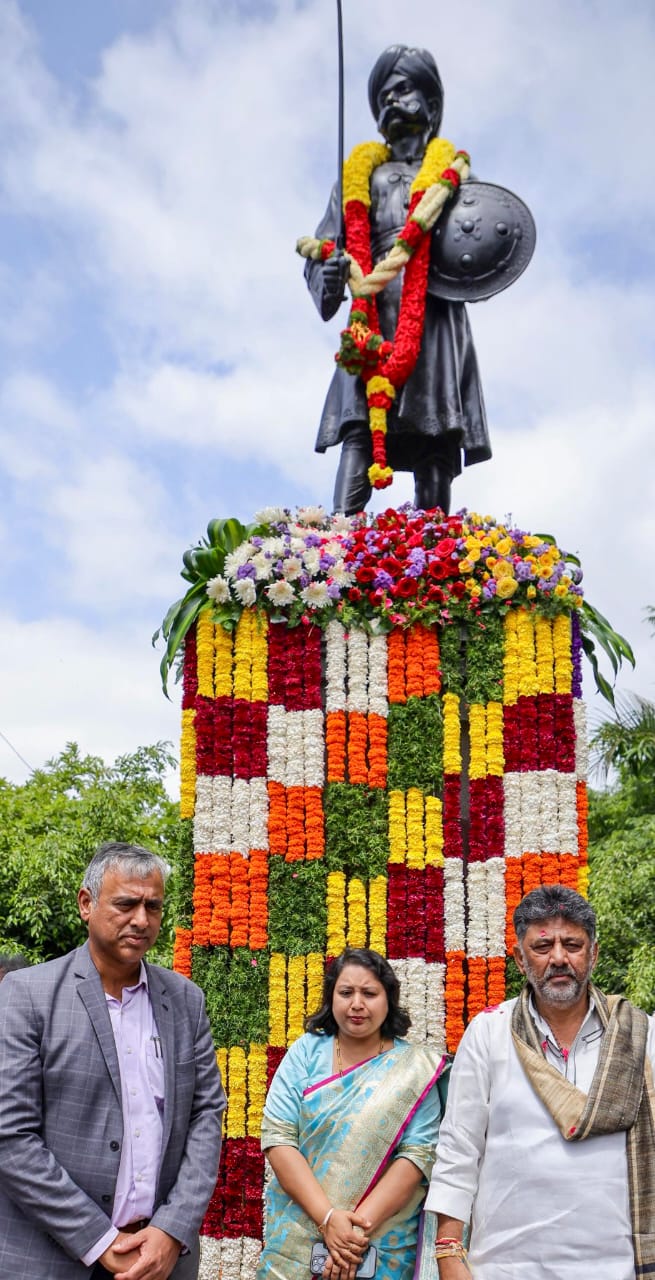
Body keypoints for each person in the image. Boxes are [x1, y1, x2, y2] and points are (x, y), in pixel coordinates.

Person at [0, 841, 226, 1280]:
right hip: (54, 1258)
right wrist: (99, 1240)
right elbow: (10, 1136)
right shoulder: (28, 995)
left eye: (153, 906)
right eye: (126, 904)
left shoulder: (185, 1000)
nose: (141, 920)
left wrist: (172, 1228)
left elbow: (206, 1115)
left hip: (160, 1257)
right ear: (87, 903)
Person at [422, 885, 655, 1280]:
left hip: (618, 1266)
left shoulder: (640, 1034)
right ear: (519, 958)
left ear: (594, 954)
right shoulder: (489, 1032)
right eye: (543, 946)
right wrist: (447, 1252)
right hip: (507, 1267)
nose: (559, 958)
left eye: (573, 945)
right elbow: (459, 1148)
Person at [305, 44, 490, 515]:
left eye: (403, 89)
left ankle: (435, 548)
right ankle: (339, 544)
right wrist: (330, 275)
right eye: (384, 94)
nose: (391, 99)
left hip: (433, 316)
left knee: (435, 438)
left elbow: (479, 246)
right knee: (358, 434)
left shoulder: (454, 180)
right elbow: (325, 248)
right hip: (372, 312)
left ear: (431, 104)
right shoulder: (358, 178)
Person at [256, 946, 448, 1280]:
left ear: (389, 999)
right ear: (331, 997)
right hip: (301, 1237)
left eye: (369, 993)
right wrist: (328, 1219)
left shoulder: (415, 1069)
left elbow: (417, 1157)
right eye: (346, 993)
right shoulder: (305, 1052)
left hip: (381, 1243)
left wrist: (351, 1236)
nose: (357, 1004)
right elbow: (279, 1138)